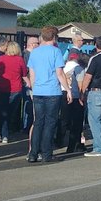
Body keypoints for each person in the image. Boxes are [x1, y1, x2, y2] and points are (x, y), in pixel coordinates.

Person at [27, 26, 72, 163]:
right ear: (54, 37)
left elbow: (32, 74)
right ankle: (47, 153)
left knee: (38, 122)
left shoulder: (34, 52)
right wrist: (68, 89)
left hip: (38, 90)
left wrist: (34, 90)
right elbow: (59, 73)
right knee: (50, 123)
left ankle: (33, 153)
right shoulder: (56, 51)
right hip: (52, 91)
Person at [0, 41, 28, 144]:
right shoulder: (20, 60)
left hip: (3, 87)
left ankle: (2, 133)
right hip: (16, 88)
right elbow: (24, 74)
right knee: (10, 112)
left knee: (3, 111)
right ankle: (5, 133)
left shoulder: (1, 59)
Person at [57, 50, 85, 154]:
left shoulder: (63, 67)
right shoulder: (78, 68)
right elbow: (80, 85)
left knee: (63, 119)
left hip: (63, 93)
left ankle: (59, 139)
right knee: (76, 122)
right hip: (75, 95)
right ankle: (74, 145)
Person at [21, 35, 39, 132]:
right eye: (37, 43)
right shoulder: (26, 55)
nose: (39, 45)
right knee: (28, 104)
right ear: (32, 44)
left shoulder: (31, 54)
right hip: (28, 83)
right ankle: (26, 126)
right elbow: (26, 70)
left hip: (32, 82)